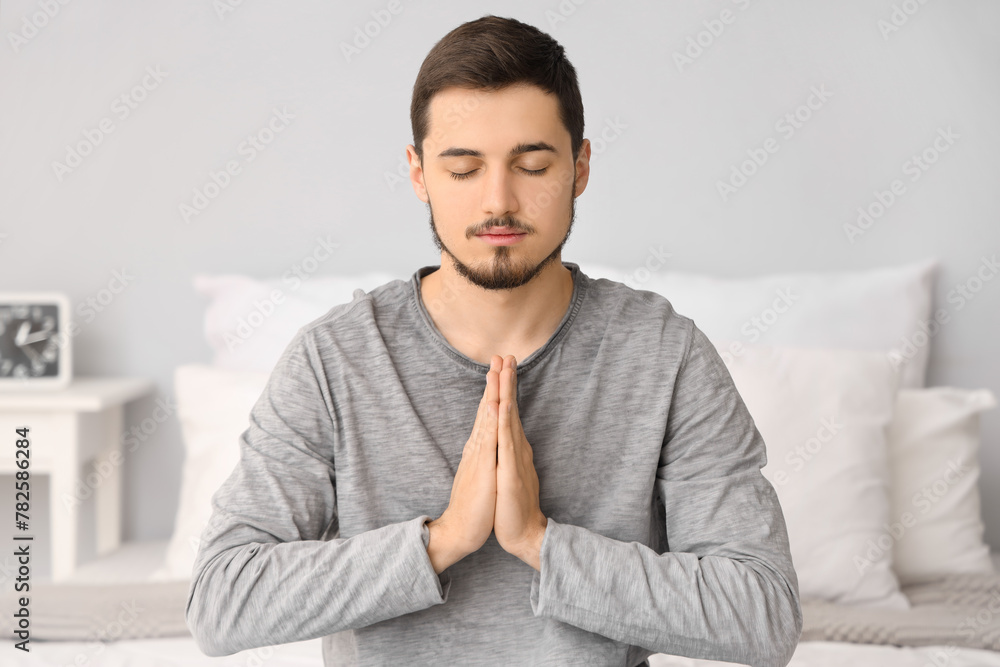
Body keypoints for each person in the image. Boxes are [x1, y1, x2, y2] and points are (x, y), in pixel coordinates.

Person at [185, 14, 803, 667]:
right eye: (463, 170)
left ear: (580, 166)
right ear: (419, 173)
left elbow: (762, 616)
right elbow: (221, 604)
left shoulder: (664, 356)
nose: (499, 201)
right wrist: (443, 540)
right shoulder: (333, 360)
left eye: (531, 165)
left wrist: (541, 541)